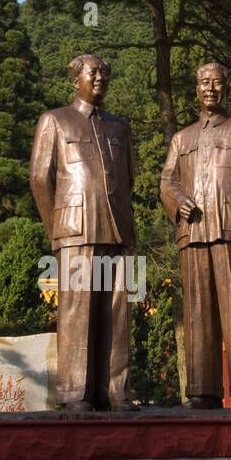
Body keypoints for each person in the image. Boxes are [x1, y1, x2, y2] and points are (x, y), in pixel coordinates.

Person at [29, 54, 138, 412]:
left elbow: (128, 181)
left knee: (118, 312)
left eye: (106, 73)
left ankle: (116, 390)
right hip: (75, 230)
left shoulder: (120, 128)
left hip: (117, 229)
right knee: (77, 313)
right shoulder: (55, 121)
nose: (101, 79)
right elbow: (39, 179)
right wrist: (56, 228)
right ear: (76, 80)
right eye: (94, 73)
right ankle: (76, 393)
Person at [160, 62, 231, 408]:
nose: (210, 88)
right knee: (197, 312)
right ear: (196, 90)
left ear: (227, 88)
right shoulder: (182, 138)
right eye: (204, 83)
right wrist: (178, 201)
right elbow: (167, 181)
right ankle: (201, 390)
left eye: (217, 83)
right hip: (193, 232)